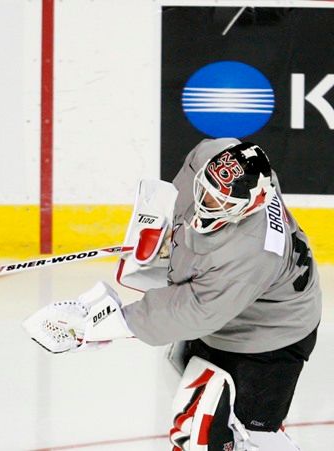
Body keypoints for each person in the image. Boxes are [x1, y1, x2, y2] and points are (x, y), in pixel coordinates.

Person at [23, 138, 321, 450]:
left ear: (248, 207)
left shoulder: (253, 251)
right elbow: (194, 167)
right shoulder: (220, 158)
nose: (206, 201)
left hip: (272, 335)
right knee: (193, 397)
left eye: (219, 202)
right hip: (232, 312)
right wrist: (168, 232)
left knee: (235, 432)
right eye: (206, 188)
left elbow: (195, 310)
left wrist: (111, 323)